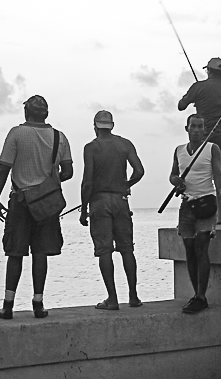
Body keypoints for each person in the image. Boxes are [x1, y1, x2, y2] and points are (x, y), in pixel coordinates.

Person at [0, 95, 73, 320]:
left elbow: (4, 169)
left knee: (15, 253)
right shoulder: (60, 137)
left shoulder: (16, 134)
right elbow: (68, 172)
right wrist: (49, 181)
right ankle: (38, 303)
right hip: (47, 204)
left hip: (20, 202)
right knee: (40, 253)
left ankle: (8, 305)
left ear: (26, 111)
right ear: (46, 113)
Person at [79, 111, 145, 310]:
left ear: (95, 126)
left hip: (99, 202)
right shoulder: (125, 144)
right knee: (126, 249)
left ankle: (113, 298)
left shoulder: (91, 148)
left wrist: (83, 209)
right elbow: (140, 171)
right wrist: (126, 184)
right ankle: (133, 297)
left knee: (104, 250)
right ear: (112, 125)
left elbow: (87, 182)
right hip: (121, 199)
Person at [169, 114, 221, 313]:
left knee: (202, 247)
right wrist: (176, 181)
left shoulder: (212, 148)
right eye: (193, 126)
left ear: (205, 129)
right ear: (187, 128)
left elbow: (218, 175)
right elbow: (173, 174)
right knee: (189, 249)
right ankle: (196, 295)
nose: (196, 130)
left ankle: (202, 296)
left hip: (206, 203)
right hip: (186, 205)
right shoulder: (178, 150)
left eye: (200, 126)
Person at [178, 58, 221, 223]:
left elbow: (181, 105)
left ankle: (197, 213)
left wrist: (192, 97)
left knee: (200, 175)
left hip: (208, 136)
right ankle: (219, 217)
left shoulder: (199, 87)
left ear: (208, 70)